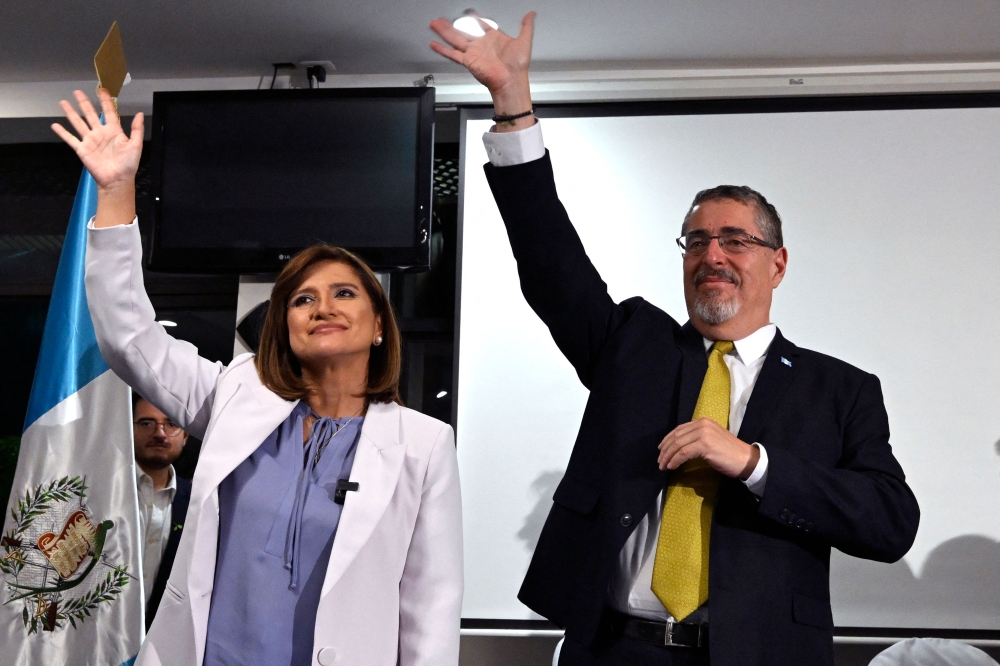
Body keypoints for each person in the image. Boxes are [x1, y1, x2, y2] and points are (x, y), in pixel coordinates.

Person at [430, 14, 919, 666]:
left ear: (777, 263)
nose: (712, 254)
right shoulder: (635, 346)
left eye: (735, 240)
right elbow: (553, 268)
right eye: (697, 241)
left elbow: (889, 523)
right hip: (619, 651)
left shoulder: (839, 390)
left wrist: (754, 463)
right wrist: (514, 108)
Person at [53, 89, 462, 666]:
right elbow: (128, 335)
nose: (322, 307)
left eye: (344, 293)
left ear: (377, 325)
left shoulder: (423, 444)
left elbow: (432, 605)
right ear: (286, 326)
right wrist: (118, 190)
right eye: (302, 299)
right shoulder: (234, 393)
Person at [132, 392, 192, 630]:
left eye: (172, 424)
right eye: (147, 423)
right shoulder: (101, 491)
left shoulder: (199, 505)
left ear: (186, 435)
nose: (160, 433)